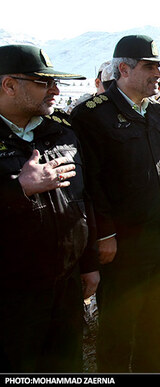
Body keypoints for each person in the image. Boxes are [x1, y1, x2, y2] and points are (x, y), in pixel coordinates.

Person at [71, 35, 160, 373]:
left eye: (159, 66)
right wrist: (104, 235)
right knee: (120, 325)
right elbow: (90, 183)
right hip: (123, 244)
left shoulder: (158, 112)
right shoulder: (92, 115)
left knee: (157, 320)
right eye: (149, 67)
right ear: (124, 69)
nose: (157, 74)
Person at [0, 44, 99, 372]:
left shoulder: (61, 128)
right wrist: (19, 188)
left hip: (64, 284)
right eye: (44, 82)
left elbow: (82, 200)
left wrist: (88, 264)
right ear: (9, 85)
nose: (57, 90)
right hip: (12, 295)